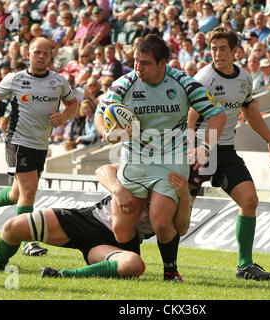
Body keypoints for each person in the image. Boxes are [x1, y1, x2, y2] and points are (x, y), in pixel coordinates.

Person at [94, 34, 226, 282]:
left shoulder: (184, 83)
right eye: (135, 61)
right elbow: (101, 114)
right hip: (135, 158)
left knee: (161, 220)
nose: (137, 68)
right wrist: (108, 134)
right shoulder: (124, 84)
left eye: (144, 63)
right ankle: (132, 267)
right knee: (122, 225)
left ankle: (170, 271)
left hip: (172, 158)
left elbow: (217, 115)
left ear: (162, 63)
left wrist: (205, 147)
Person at [0, 164, 191, 280]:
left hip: (119, 243)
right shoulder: (144, 164)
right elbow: (103, 170)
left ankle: (63, 274)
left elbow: (181, 228)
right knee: (12, 227)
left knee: (132, 264)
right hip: (88, 219)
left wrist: (182, 195)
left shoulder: (178, 187)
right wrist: (118, 190)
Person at [188, 27, 270, 281]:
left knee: (250, 200)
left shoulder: (244, 78)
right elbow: (190, 118)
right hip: (198, 148)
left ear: (235, 51)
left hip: (224, 150)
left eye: (223, 49)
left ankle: (245, 266)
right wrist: (191, 150)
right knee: (178, 217)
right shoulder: (204, 79)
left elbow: (250, 110)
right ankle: (160, 263)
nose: (217, 54)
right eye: (213, 49)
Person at [0, 37, 79, 257]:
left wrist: (64, 116)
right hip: (18, 141)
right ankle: (26, 242)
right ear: (28, 54)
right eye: (36, 52)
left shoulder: (58, 81)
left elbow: (73, 103)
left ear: (51, 56)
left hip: (41, 144)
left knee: (17, 193)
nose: (40, 57)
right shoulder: (15, 79)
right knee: (29, 190)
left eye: (45, 53)